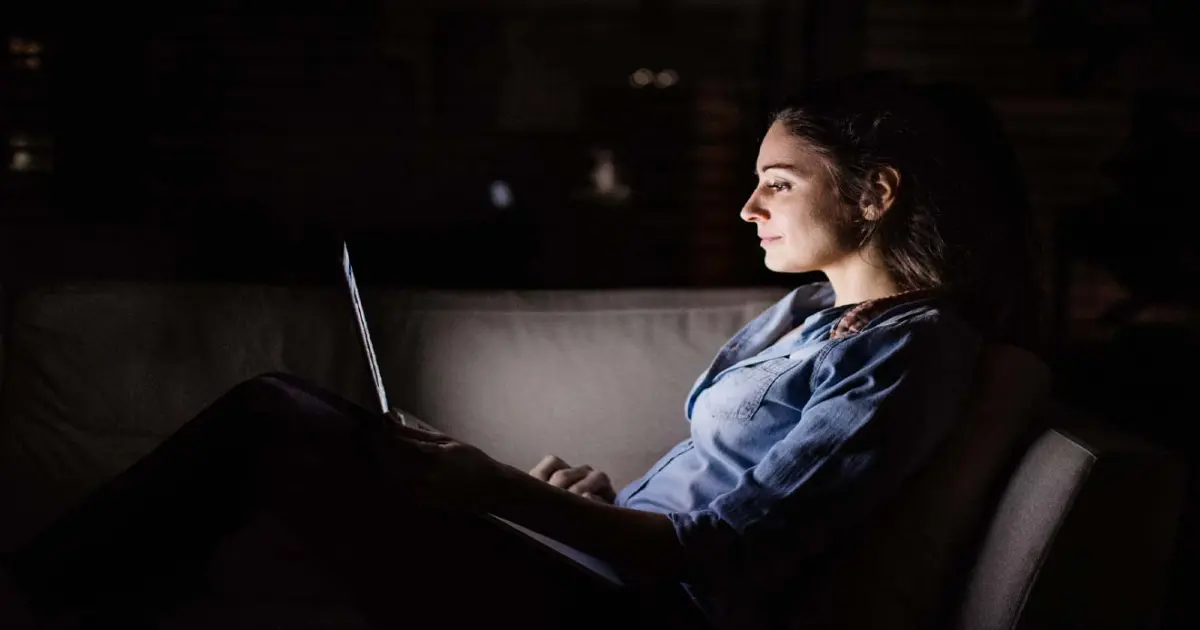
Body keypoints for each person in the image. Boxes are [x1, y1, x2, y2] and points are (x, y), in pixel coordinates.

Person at [2, 72, 1040, 630]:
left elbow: (716, 555)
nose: (746, 203)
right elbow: (692, 507)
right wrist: (595, 509)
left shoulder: (909, 356)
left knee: (282, 418)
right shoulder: (810, 317)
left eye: (779, 179)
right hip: (606, 567)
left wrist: (495, 490)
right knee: (304, 428)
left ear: (874, 190)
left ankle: (40, 596)